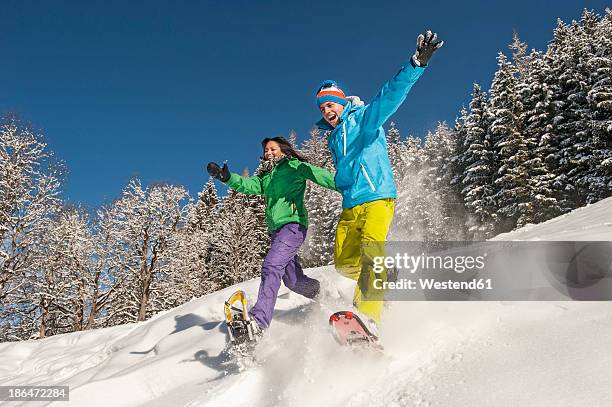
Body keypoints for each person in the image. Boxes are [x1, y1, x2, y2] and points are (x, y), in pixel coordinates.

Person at [314, 30, 444, 327]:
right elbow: (340, 175)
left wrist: (416, 64)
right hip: (350, 206)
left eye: (330, 104)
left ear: (342, 102)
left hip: (376, 198)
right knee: (344, 263)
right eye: (322, 108)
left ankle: (368, 317)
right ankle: (384, 273)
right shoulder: (334, 139)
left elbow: (390, 95)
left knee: (372, 256)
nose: (327, 111)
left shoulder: (363, 119)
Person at [207, 137, 336, 332]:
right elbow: (248, 185)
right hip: (277, 232)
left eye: (272, 149)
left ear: (283, 150)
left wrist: (345, 185)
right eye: (266, 150)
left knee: (271, 266)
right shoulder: (266, 177)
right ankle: (323, 294)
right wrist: (227, 177)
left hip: (293, 226)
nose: (268, 152)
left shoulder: (294, 166)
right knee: (293, 281)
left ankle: (259, 321)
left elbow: (317, 174)